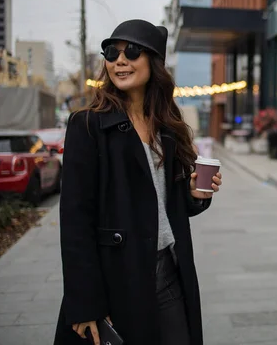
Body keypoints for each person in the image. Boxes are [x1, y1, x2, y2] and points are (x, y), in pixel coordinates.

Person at [54, 19, 222, 345]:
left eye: (132, 51)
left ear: (153, 62)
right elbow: (74, 220)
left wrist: (193, 194)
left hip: (169, 273)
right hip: (117, 279)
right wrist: (85, 301)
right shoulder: (87, 126)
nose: (120, 60)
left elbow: (168, 205)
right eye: (111, 52)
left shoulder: (168, 127)